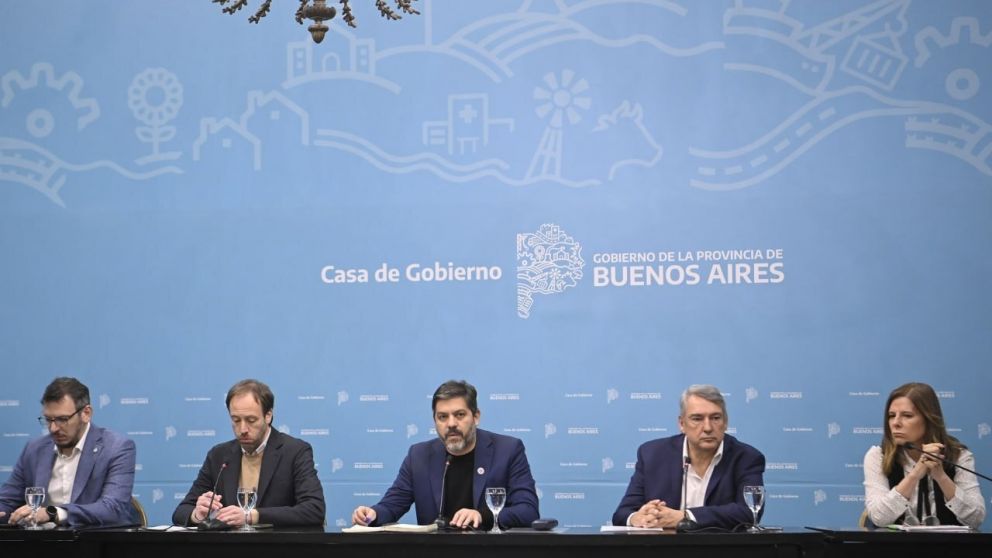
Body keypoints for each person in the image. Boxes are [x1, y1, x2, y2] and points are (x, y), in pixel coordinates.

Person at [351, 380, 540, 530]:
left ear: (476, 417)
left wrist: (482, 515)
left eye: (459, 415)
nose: (451, 424)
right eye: (443, 417)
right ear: (435, 421)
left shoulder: (507, 450)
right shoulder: (419, 455)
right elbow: (392, 505)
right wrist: (372, 513)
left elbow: (528, 510)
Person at [173, 379, 325, 527]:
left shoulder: (295, 451)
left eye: (251, 420)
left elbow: (314, 509)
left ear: (268, 415)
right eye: (236, 420)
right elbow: (181, 511)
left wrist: (251, 516)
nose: (243, 429)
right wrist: (198, 515)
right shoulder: (219, 455)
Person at [612, 384, 765, 530]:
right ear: (682, 424)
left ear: (725, 422)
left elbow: (749, 513)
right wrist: (637, 518)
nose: (707, 428)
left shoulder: (747, 458)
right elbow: (623, 513)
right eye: (697, 419)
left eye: (715, 418)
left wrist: (685, 517)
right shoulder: (652, 454)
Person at [0, 377, 137, 527]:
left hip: (92, 545)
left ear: (86, 413)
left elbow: (113, 508)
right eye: (48, 419)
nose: (53, 428)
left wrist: (53, 513)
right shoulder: (34, 449)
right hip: (40, 545)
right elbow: (7, 501)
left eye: (62, 419)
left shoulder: (116, 448)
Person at [863, 382, 985, 529]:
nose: (895, 423)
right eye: (891, 416)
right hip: (894, 548)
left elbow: (976, 519)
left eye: (907, 416)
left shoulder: (958, 456)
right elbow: (879, 518)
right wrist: (914, 475)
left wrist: (941, 477)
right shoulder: (878, 456)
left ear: (929, 419)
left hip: (948, 548)